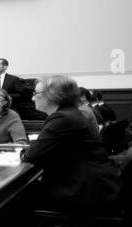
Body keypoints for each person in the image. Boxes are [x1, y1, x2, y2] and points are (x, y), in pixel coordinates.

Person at [23, 75, 120, 210]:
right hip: (93, 182)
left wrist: (30, 148)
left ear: (53, 96)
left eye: (36, 93)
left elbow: (30, 157)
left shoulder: (62, 118)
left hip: (84, 190)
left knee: (14, 195)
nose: (32, 98)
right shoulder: (70, 113)